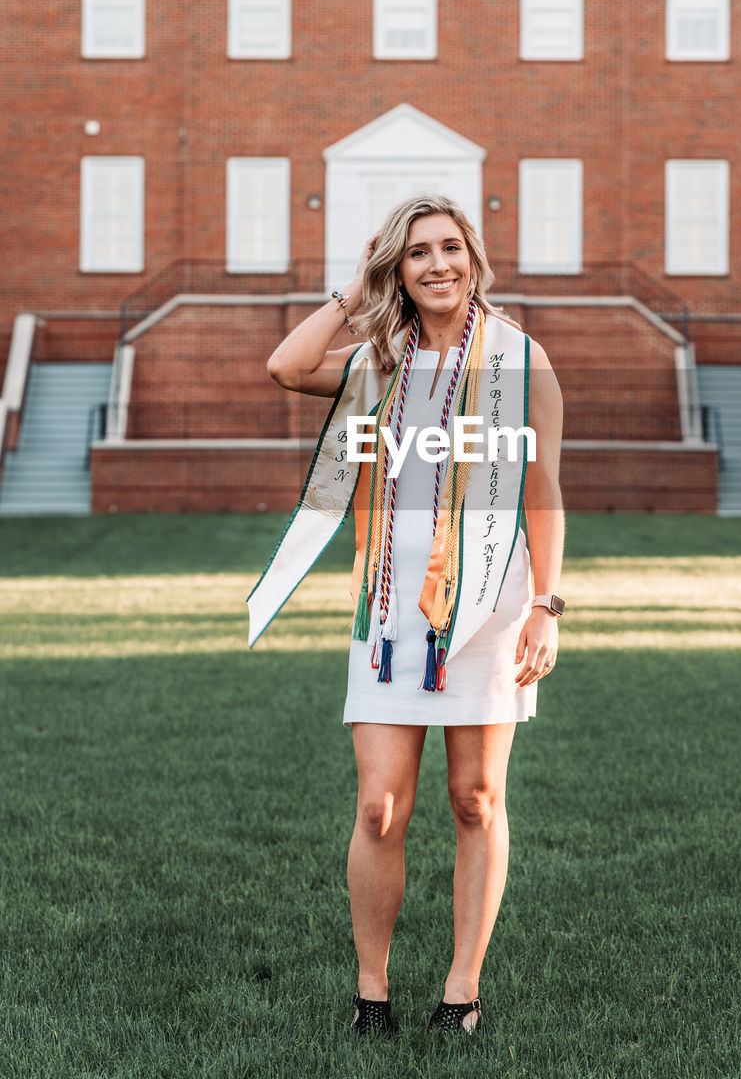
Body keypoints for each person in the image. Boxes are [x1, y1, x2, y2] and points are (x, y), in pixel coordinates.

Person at [256, 193, 565, 1036]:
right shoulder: (378, 361)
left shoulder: (521, 358)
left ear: (474, 256)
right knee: (379, 808)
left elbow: (543, 494)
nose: (439, 265)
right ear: (397, 267)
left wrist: (547, 606)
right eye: (418, 252)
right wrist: (352, 291)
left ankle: (461, 988)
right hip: (391, 612)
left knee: (475, 801)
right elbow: (285, 367)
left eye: (451, 248)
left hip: (489, 609)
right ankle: (372, 993)